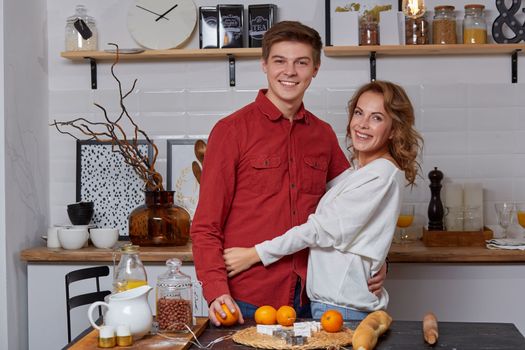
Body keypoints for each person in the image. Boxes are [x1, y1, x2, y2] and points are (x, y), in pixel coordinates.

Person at [190, 21, 386, 327]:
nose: (290, 72)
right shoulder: (230, 132)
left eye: (301, 63)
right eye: (280, 61)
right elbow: (205, 226)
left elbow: (356, 210)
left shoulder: (322, 135)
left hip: (313, 298)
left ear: (315, 69)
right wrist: (216, 292)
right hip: (246, 298)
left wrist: (377, 260)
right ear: (264, 65)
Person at [223, 80, 423, 320]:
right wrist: (377, 259)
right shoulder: (359, 173)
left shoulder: (380, 174)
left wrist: (254, 254)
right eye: (359, 113)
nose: (362, 124)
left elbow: (319, 230)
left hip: (342, 307)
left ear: (393, 130)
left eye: (377, 118)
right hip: (331, 304)